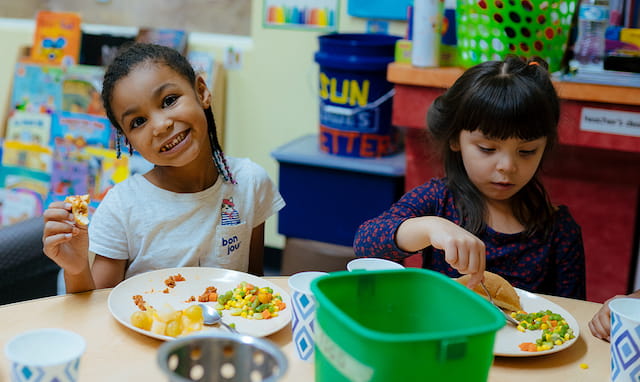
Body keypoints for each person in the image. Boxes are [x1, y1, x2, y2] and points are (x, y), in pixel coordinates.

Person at [42, 43, 285, 293]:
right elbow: (96, 310)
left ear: (201, 92)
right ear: (128, 141)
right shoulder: (122, 207)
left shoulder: (250, 182)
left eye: (169, 100)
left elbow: (255, 283)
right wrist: (77, 269)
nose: (160, 126)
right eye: (138, 122)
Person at [354, 56, 586, 299]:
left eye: (527, 151)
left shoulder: (560, 230)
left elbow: (574, 312)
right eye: (487, 148)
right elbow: (366, 244)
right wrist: (429, 226)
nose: (507, 166)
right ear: (456, 139)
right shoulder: (439, 200)